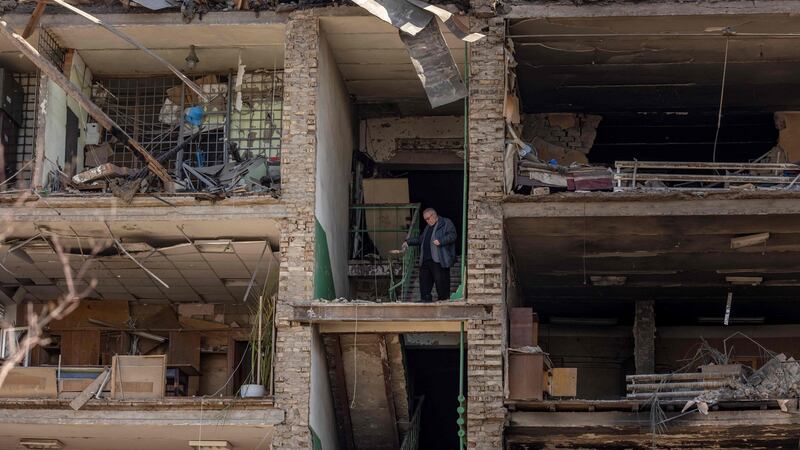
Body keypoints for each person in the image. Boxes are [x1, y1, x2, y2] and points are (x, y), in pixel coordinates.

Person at [402, 208, 457, 302]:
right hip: (426, 259)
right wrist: (408, 242)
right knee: (424, 282)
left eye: (428, 218)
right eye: (425, 219)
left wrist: (441, 241)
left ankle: (443, 300)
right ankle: (425, 300)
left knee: (441, 282)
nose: (427, 221)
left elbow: (453, 235)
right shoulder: (428, 227)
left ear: (434, 215)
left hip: (439, 259)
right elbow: (421, 239)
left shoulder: (445, 222)